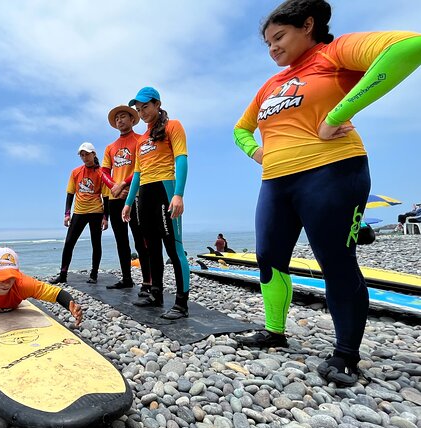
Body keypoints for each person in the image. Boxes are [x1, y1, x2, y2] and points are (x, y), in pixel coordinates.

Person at [232, 0, 421, 386]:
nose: (273, 49)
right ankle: (274, 332)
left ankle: (346, 354)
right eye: (268, 44)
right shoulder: (269, 85)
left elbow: (409, 46)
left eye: (279, 37)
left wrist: (336, 116)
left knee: (335, 260)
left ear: (308, 25)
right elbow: (240, 130)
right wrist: (258, 152)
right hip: (276, 181)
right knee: (268, 257)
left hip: (333, 172)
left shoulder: (333, 53)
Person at [122, 87, 191, 320]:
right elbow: (138, 174)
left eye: (145, 107)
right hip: (145, 195)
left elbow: (181, 159)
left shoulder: (173, 126)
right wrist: (129, 203)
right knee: (152, 248)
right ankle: (156, 294)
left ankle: (181, 304)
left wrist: (178, 194)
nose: (142, 113)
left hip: (165, 190)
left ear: (157, 104)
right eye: (138, 109)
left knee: (173, 247)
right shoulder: (141, 140)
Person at [100, 105, 152, 293]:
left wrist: (123, 185)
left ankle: (148, 282)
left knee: (141, 239)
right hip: (115, 198)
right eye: (117, 119)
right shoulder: (110, 147)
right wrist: (115, 186)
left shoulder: (140, 140)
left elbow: (143, 166)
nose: (120, 120)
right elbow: (104, 171)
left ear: (132, 120)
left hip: (136, 195)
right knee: (121, 240)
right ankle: (127, 278)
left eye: (124, 117)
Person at [50, 142, 109, 284]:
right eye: (82, 155)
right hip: (79, 212)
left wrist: (106, 217)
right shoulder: (75, 172)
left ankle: (94, 274)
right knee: (69, 242)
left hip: (96, 211)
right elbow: (70, 194)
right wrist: (67, 214)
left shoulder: (101, 173)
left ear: (94, 154)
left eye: (87, 154)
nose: (84, 157)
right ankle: (63, 275)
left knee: (96, 243)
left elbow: (106, 197)